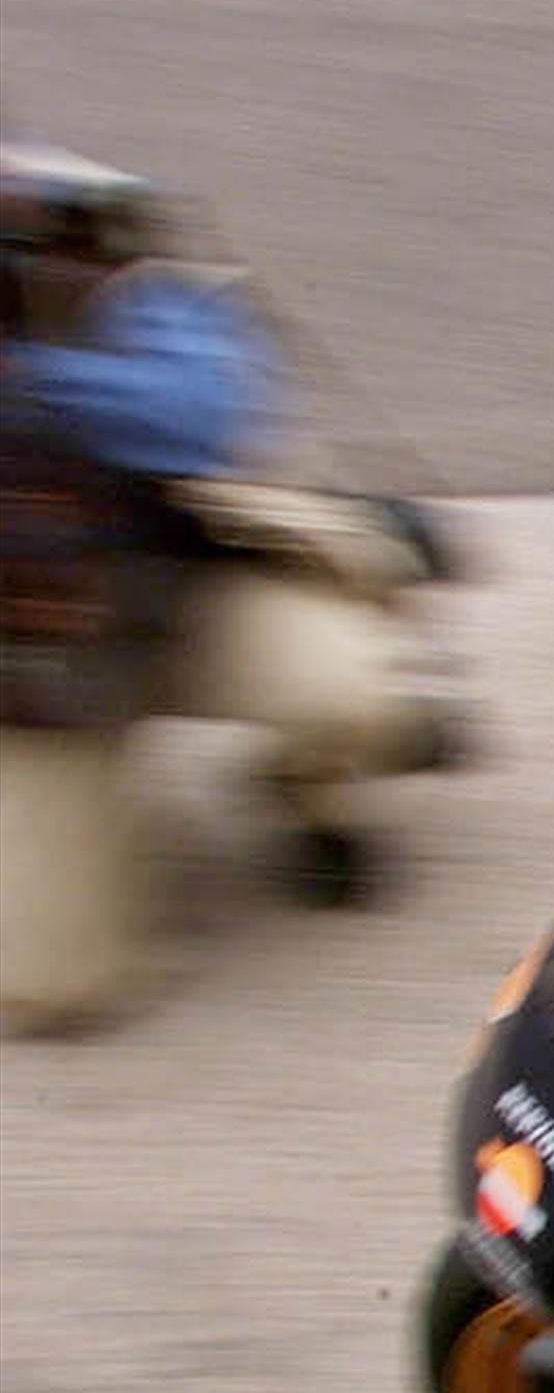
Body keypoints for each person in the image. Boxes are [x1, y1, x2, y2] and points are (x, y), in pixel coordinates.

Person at [0, 142, 453, 1035]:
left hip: (176, 602)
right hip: (31, 677)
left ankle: (306, 791)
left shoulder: (91, 238)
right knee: (53, 994)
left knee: (349, 693)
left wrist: (33, 376)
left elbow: (202, 413)